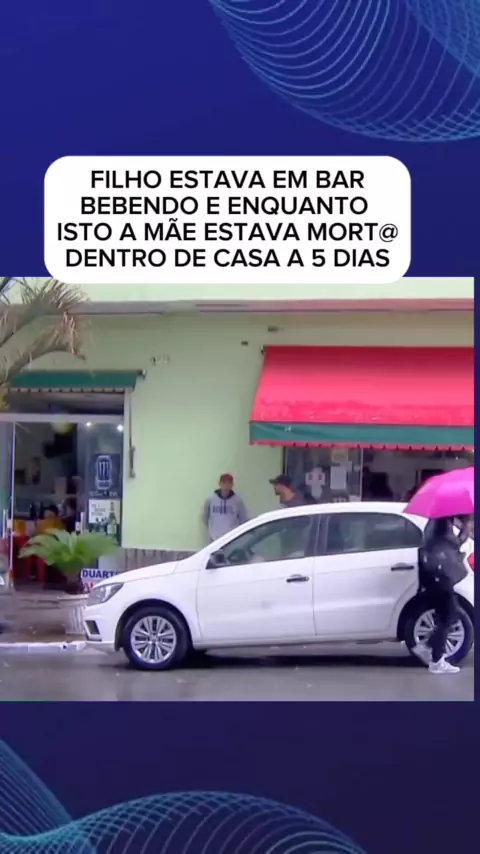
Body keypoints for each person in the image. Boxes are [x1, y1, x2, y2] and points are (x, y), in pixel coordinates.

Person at [414, 516, 468, 674]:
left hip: (434, 574)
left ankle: (427, 646)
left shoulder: (436, 522)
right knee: (449, 614)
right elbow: (452, 545)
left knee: (446, 613)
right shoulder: (442, 523)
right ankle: (436, 661)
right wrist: (465, 531)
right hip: (440, 574)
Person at [202, 474, 248, 543]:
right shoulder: (210, 499)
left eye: (229, 483)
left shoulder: (238, 500)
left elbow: (243, 518)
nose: (226, 485)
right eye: (224, 482)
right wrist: (212, 529)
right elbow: (205, 517)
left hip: (231, 539)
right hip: (214, 538)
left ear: (232, 485)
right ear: (219, 484)